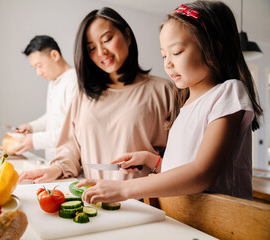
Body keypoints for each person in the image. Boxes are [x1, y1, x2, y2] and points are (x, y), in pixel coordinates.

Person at [77, 0, 263, 202]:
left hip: (223, 225)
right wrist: (152, 160)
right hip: (186, 221)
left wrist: (124, 188)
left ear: (214, 50)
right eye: (164, 55)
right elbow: (180, 171)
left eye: (176, 53)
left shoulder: (228, 93)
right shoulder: (185, 106)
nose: (168, 63)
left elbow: (201, 174)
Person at [18, 7, 173, 183]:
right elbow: (71, 147)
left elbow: (179, 163)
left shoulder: (163, 91)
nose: (101, 52)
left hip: (141, 204)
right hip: (93, 202)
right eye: (91, 48)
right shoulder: (83, 96)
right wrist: (56, 169)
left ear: (127, 36)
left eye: (107, 39)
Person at [13, 35, 77, 161]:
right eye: (34, 68)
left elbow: (72, 131)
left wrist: (35, 141)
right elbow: (52, 116)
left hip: (71, 164)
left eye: (39, 65)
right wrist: (32, 127)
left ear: (54, 55)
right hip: (54, 163)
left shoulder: (74, 82)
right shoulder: (53, 82)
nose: (38, 73)